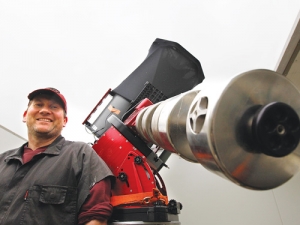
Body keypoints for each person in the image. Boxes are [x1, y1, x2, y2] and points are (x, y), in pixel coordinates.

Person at [0, 87, 114, 225]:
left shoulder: (81, 155)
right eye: (38, 104)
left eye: (54, 107)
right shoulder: (2, 161)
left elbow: (96, 217)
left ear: (65, 121)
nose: (45, 110)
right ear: (25, 115)